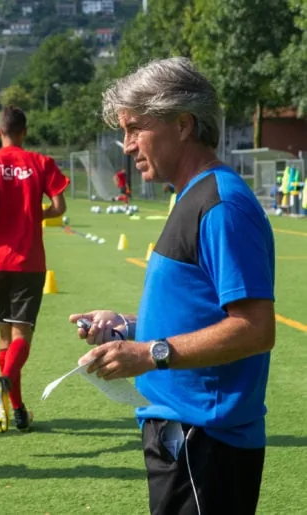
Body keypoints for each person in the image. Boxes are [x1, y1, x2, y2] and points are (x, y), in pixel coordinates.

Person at [71, 57, 275, 515]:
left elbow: (255, 328)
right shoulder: (192, 196)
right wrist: (128, 328)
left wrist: (148, 354)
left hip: (207, 441)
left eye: (134, 128)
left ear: (182, 124)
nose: (126, 146)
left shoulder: (221, 206)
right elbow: (199, 313)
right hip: (180, 436)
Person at [0, 106, 69, 433]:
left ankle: (19, 410)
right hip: (28, 259)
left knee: (4, 337)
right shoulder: (41, 163)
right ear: (24, 132)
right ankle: (5, 382)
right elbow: (59, 207)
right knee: (22, 334)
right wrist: (35, 215)